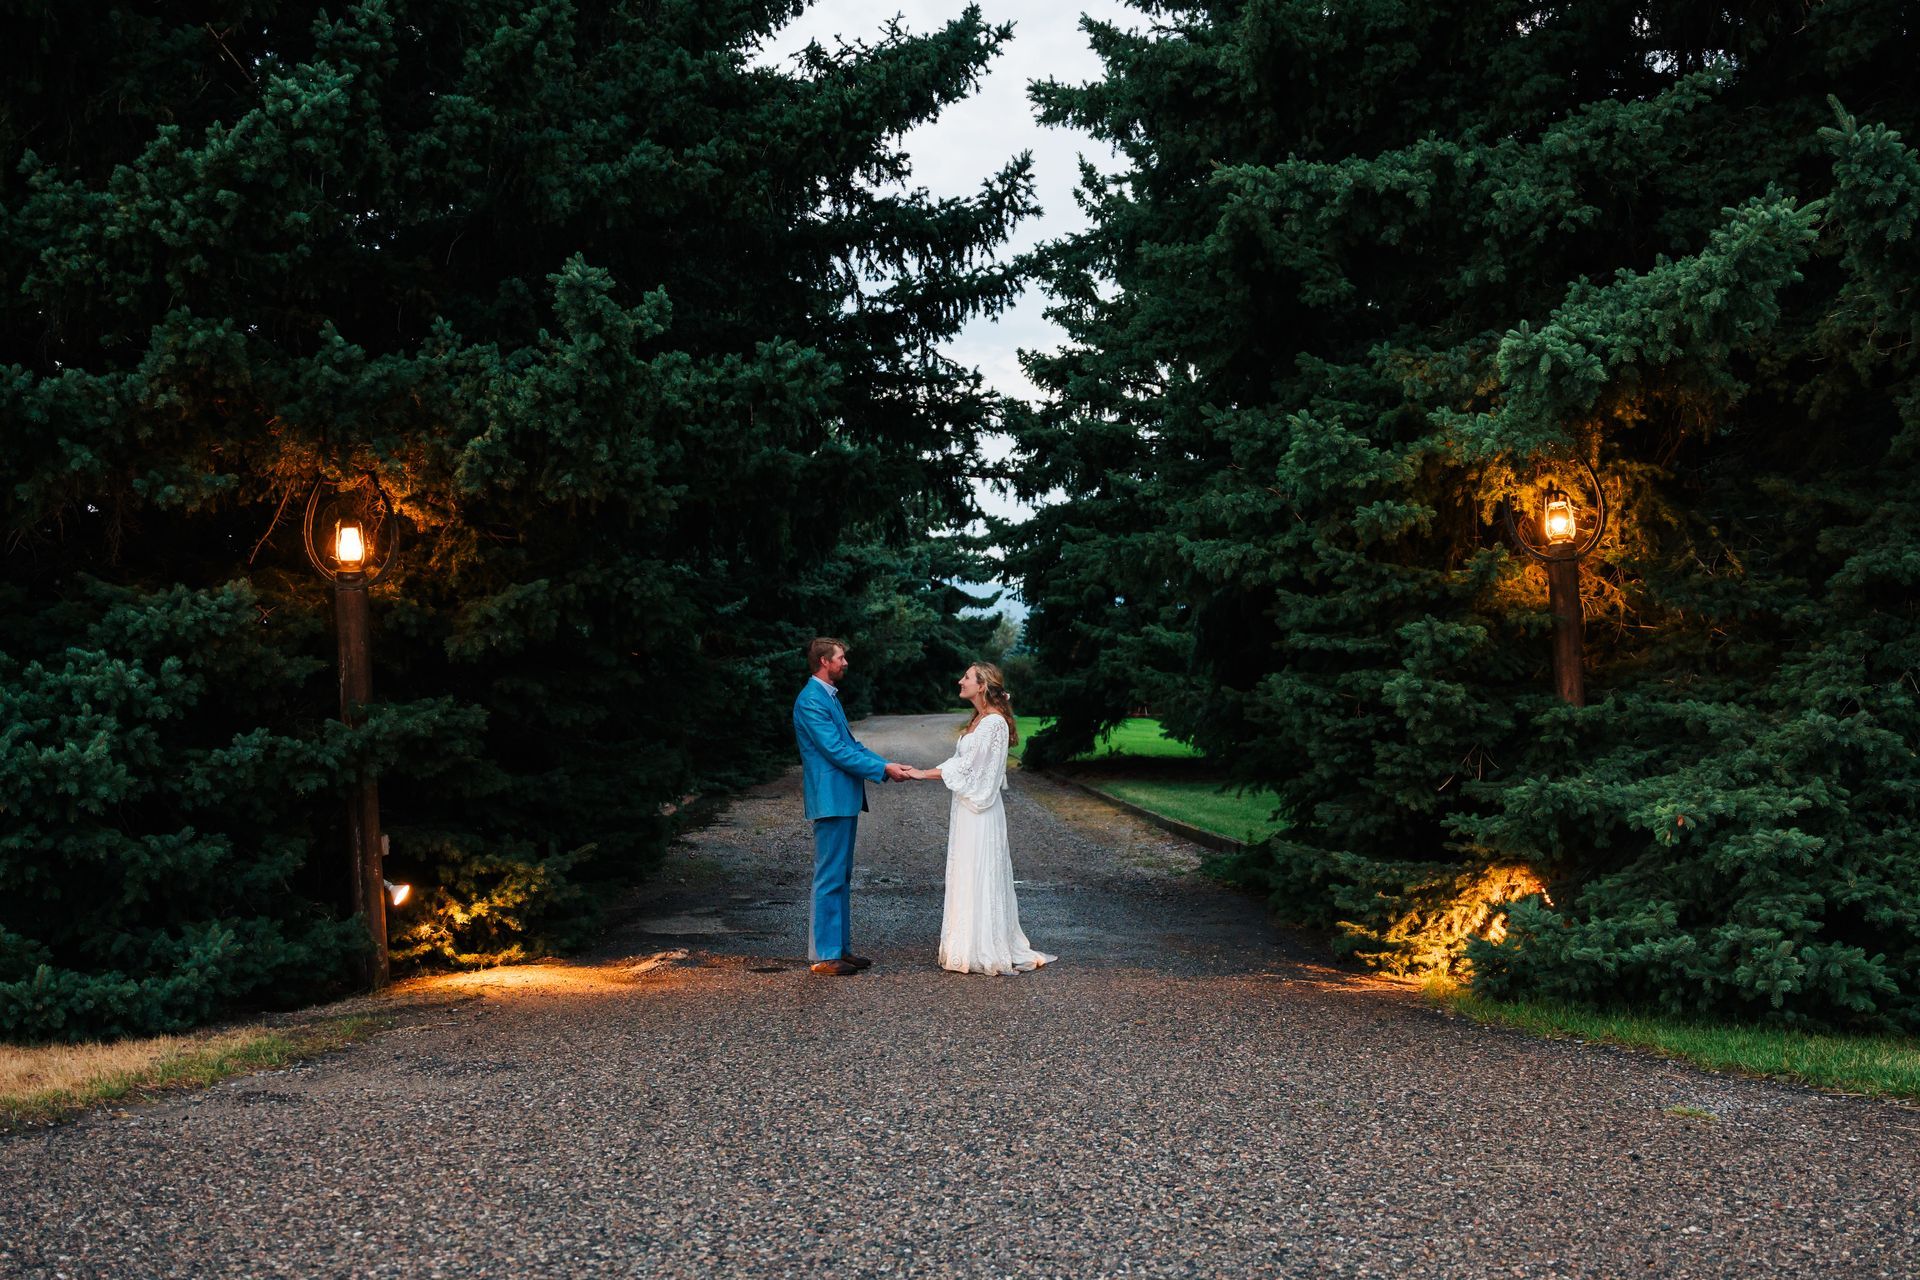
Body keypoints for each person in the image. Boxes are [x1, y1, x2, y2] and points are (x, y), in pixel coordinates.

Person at [905, 663, 1056, 975]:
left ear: (982, 685)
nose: (960, 681)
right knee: (965, 871)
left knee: (980, 871)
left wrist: (923, 773)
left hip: (980, 810)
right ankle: (964, 944)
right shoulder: (977, 720)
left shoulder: (994, 724)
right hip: (965, 807)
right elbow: (960, 761)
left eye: (967, 678)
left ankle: (984, 946)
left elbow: (972, 771)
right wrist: (927, 770)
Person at [792, 636, 911, 976]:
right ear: (823, 661)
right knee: (829, 875)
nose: (845, 663)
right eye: (840, 658)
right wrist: (881, 769)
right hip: (830, 798)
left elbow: (852, 745)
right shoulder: (811, 700)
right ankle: (824, 955)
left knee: (841, 876)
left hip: (842, 797)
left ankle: (840, 948)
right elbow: (836, 751)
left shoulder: (827, 697)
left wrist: (887, 764)